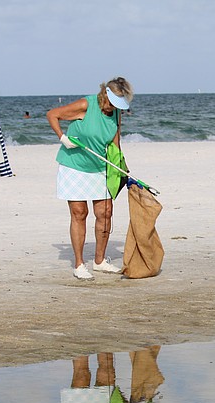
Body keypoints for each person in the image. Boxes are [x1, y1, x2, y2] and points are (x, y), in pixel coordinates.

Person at [47, 77, 134, 280]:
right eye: (113, 103)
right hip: (74, 166)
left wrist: (121, 167)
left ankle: (100, 261)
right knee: (80, 213)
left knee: (105, 213)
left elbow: (115, 141)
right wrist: (63, 138)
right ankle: (78, 264)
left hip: (99, 166)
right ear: (105, 95)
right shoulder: (86, 104)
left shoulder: (116, 114)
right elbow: (52, 115)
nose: (114, 108)